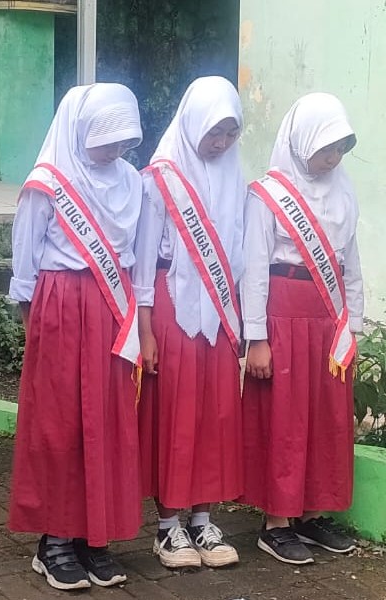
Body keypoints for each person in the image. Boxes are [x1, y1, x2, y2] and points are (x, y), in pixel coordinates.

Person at [7, 83, 144, 591]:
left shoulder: (131, 181)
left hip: (112, 307)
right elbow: (25, 261)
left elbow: (135, 254)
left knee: (107, 418)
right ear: (80, 131)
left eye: (124, 140)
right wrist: (34, 321)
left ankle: (94, 534)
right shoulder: (48, 182)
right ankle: (55, 540)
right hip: (61, 304)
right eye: (106, 139)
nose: (116, 149)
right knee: (58, 421)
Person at [241, 93, 363, 565]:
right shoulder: (267, 194)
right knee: (286, 418)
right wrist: (256, 338)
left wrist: (354, 324)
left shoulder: (344, 192)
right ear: (302, 142)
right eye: (325, 147)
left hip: (328, 318)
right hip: (283, 313)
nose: (333, 157)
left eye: (340, 148)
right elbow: (254, 269)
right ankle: (276, 522)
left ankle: (312, 513)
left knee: (325, 416)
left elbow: (350, 264)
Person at [134, 76, 244, 569]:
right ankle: (167, 527)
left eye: (230, 133)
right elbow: (141, 261)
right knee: (174, 414)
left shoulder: (235, 177)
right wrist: (145, 329)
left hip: (218, 310)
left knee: (215, 412)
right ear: (193, 123)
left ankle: (203, 519)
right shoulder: (160, 178)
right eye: (214, 131)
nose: (220, 142)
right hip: (171, 304)